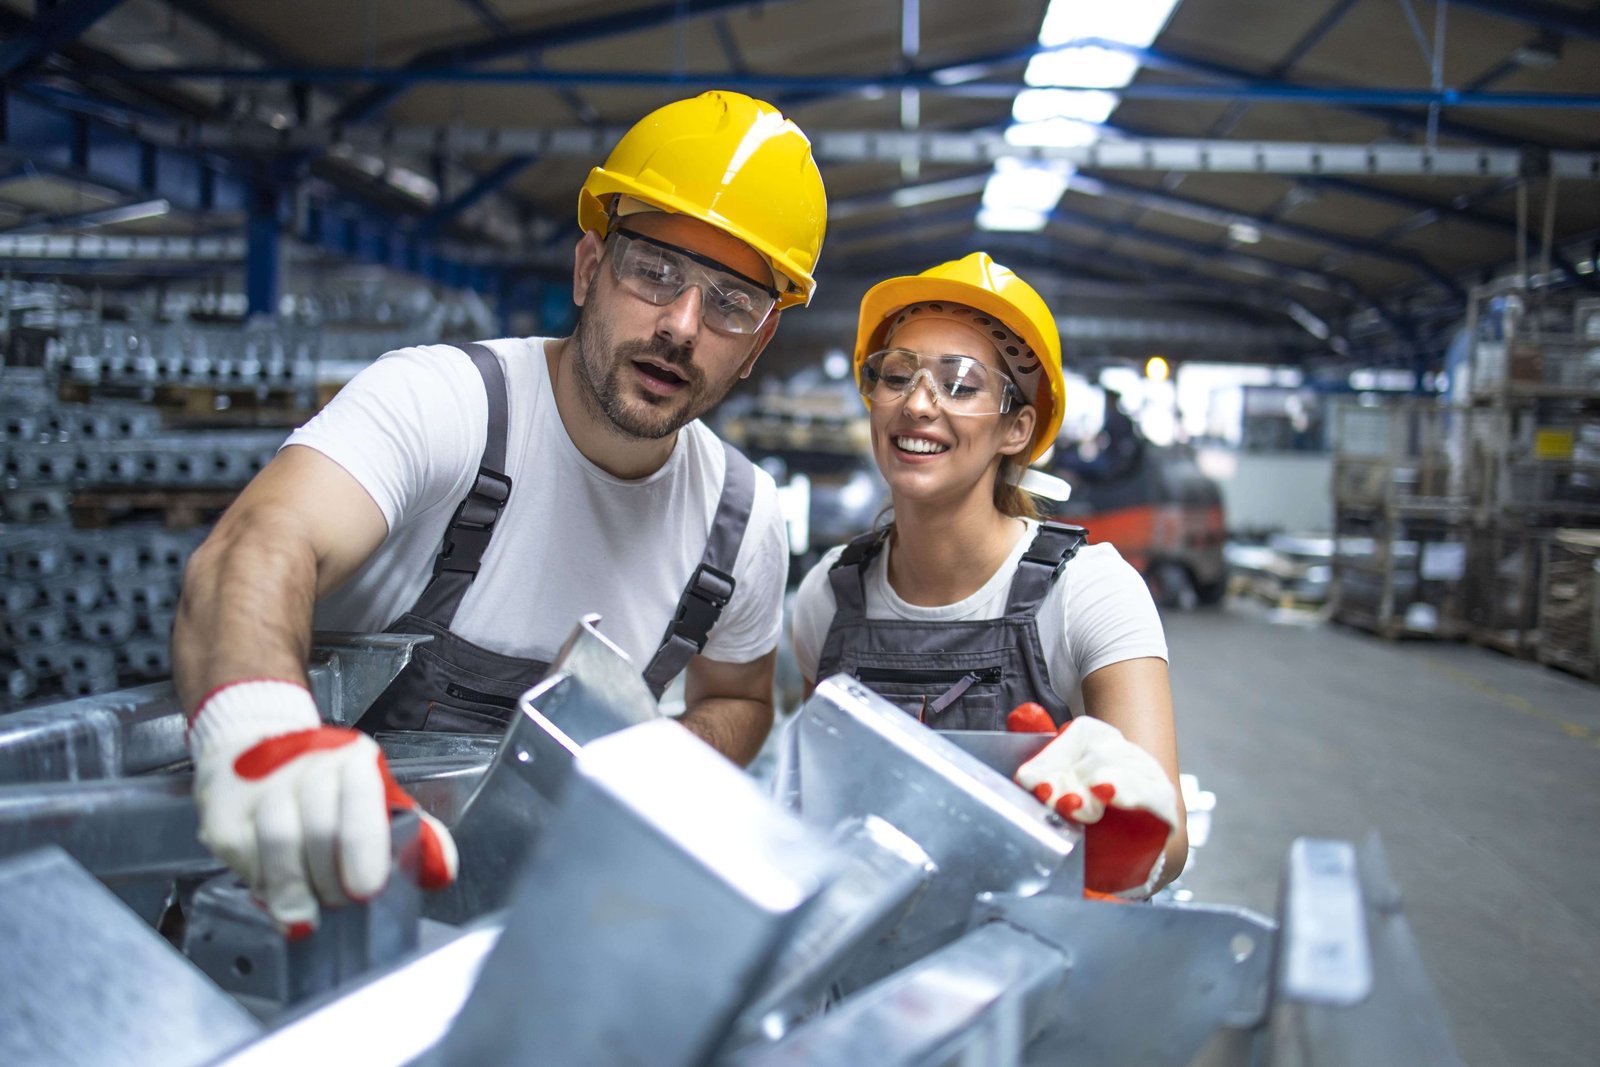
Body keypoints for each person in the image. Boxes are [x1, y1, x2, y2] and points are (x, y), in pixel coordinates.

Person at [172, 91, 828, 933]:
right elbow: (257, 546)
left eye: (731, 304)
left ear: (759, 343)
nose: (682, 326)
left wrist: (647, 768)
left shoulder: (742, 520)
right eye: (654, 271)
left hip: (541, 940)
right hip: (303, 915)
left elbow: (739, 697)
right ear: (589, 268)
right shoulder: (446, 402)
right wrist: (260, 726)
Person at [789, 253, 1187, 896]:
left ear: (1017, 428)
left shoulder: (1089, 593)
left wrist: (1119, 838)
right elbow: (815, 803)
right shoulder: (828, 598)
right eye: (896, 375)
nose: (917, 404)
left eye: (961, 383)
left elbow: (1167, 841)